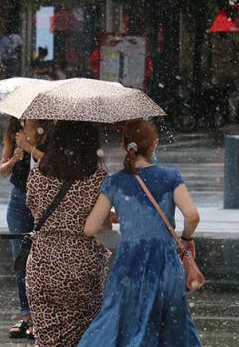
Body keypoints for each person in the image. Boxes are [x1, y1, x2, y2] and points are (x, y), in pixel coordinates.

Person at [79, 119, 201, 347]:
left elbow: (90, 228)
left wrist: (120, 216)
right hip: (164, 263)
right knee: (170, 326)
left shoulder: (114, 183)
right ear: (154, 145)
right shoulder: (171, 177)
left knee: (118, 321)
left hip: (128, 264)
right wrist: (186, 237)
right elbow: (192, 215)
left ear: (126, 147)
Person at [25, 120, 110, 346]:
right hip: (82, 267)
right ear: (91, 142)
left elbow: (33, 210)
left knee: (46, 339)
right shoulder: (98, 179)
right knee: (84, 337)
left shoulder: (37, 176)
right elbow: (102, 229)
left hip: (41, 265)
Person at [0, 118, 49, 340]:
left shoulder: (48, 133)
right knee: (21, 259)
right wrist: (14, 160)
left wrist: (30, 148)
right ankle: (26, 315)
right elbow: (2, 170)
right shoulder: (13, 132)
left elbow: (52, 163)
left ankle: (42, 316)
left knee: (42, 258)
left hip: (45, 201)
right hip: (19, 198)